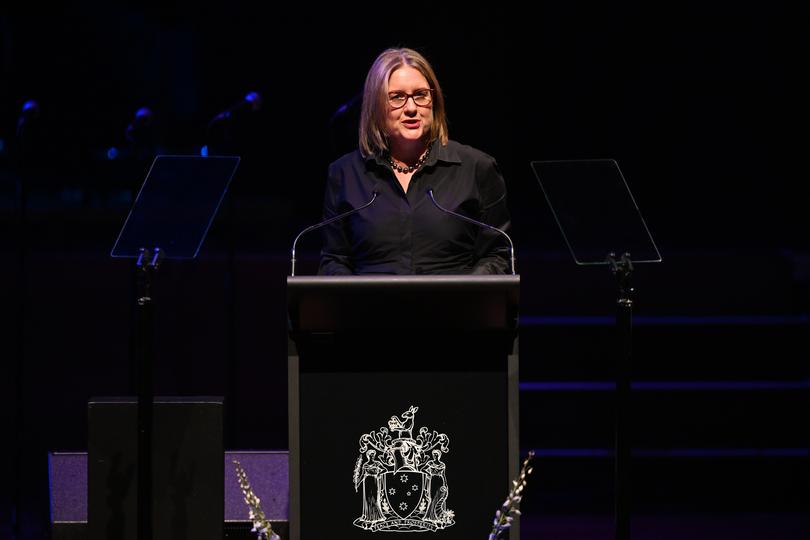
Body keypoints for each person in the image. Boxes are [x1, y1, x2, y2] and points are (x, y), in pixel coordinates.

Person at [318, 48, 511, 275]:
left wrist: (462, 297)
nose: (411, 108)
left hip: (455, 307)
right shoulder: (344, 174)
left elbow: (497, 256)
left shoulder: (477, 168)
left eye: (420, 94)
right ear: (375, 106)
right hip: (371, 308)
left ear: (434, 100)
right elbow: (334, 261)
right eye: (397, 97)